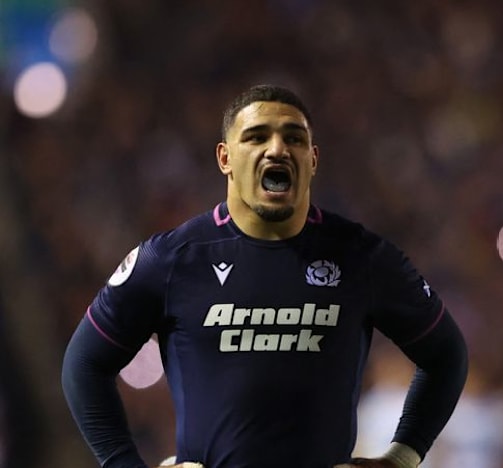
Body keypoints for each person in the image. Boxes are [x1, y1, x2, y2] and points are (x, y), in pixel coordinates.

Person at [62, 84, 469, 468]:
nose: (277, 149)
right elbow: (84, 364)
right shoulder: (171, 260)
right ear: (225, 158)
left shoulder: (362, 257)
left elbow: (446, 354)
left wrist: (402, 456)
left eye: (294, 138)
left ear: (312, 159)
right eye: (256, 137)